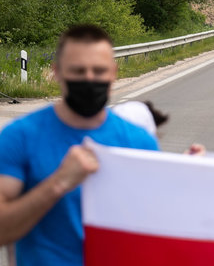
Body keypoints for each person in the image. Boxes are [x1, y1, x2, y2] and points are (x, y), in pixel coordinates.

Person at [0, 25, 159, 266]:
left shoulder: (139, 142)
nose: (89, 79)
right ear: (57, 72)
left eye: (99, 70)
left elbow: (158, 227)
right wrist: (58, 184)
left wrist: (185, 177)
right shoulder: (19, 137)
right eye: (78, 71)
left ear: (113, 73)